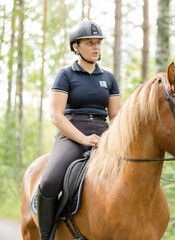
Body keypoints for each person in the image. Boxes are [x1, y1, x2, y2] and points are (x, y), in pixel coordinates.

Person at [36, 20, 120, 240]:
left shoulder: (109, 78)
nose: (96, 47)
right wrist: (83, 138)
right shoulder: (66, 75)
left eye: (98, 43)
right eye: (90, 43)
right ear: (76, 46)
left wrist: (115, 139)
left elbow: (116, 117)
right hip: (71, 135)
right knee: (49, 181)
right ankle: (47, 235)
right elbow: (56, 115)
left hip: (103, 135)